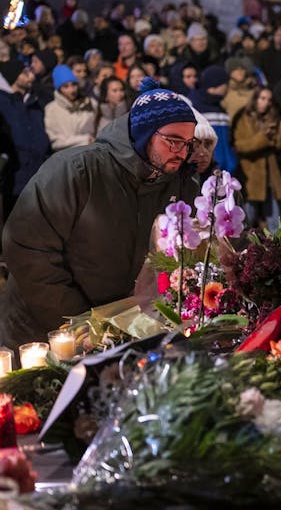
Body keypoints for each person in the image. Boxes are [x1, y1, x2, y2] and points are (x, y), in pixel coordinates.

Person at [0, 78, 199, 347]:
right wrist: (76, 320)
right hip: (41, 329)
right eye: (173, 141)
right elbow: (27, 248)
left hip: (114, 331)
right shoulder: (77, 170)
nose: (182, 152)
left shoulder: (175, 182)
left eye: (188, 143)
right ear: (143, 133)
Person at [232, 86, 281, 227]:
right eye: (262, 98)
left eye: (269, 99)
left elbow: (277, 147)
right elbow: (241, 145)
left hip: (271, 176)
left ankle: (275, 249)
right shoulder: (243, 118)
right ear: (256, 99)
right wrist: (264, 137)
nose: (266, 102)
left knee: (275, 222)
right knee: (247, 220)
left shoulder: (273, 118)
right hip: (251, 175)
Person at [0, 59, 49, 218]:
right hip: (14, 176)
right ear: (14, 76)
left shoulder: (34, 101)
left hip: (38, 174)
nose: (31, 76)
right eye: (25, 72)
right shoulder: (3, 102)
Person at [44, 64, 97, 151]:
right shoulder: (51, 109)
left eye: (74, 85)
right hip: (65, 159)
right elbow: (55, 142)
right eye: (66, 86)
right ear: (59, 89)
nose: (72, 90)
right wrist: (84, 140)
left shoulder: (90, 104)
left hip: (90, 155)